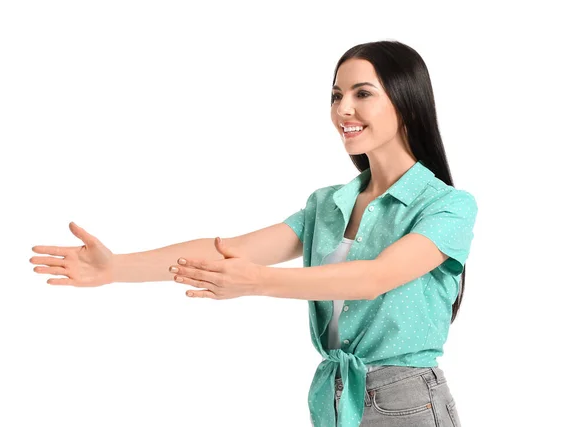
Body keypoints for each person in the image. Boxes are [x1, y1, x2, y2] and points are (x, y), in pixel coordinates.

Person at [30, 40, 477, 427]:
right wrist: (116, 268)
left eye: (363, 93)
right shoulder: (328, 204)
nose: (343, 109)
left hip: (408, 401)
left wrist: (258, 283)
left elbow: (374, 277)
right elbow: (229, 250)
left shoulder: (448, 207)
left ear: (407, 103)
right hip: (336, 395)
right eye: (336, 95)